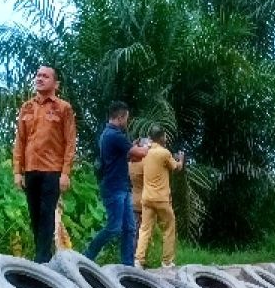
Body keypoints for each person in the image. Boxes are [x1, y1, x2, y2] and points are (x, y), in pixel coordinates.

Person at [13, 65, 76, 263]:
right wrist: (18, 171)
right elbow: (20, 141)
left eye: (45, 76)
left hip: (52, 170)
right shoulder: (27, 107)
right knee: (35, 215)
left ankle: (41, 260)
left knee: (47, 214)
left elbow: (70, 142)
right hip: (31, 169)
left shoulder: (63, 108)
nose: (40, 79)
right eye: (38, 75)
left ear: (55, 83)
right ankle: (44, 256)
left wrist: (65, 173)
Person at [85, 101, 148, 265]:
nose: (127, 121)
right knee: (114, 227)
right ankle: (87, 256)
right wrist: (149, 147)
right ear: (120, 117)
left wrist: (134, 149)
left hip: (121, 186)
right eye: (126, 118)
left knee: (130, 228)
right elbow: (138, 153)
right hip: (114, 188)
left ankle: (127, 266)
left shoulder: (107, 134)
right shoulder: (115, 135)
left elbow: (127, 155)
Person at [133, 125, 185, 268]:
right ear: (161, 137)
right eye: (165, 136)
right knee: (169, 227)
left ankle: (138, 260)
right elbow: (176, 168)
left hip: (147, 198)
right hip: (161, 199)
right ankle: (167, 261)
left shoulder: (145, 152)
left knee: (144, 229)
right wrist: (181, 159)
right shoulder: (164, 153)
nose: (166, 138)